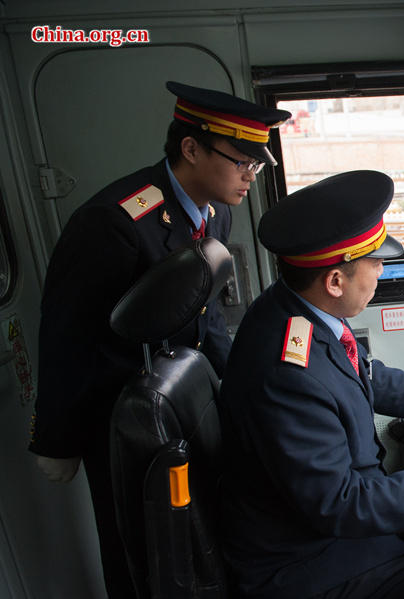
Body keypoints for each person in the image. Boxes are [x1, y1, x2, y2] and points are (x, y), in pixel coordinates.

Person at [28, 81, 291, 598]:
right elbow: (65, 333)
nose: (250, 175)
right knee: (137, 552)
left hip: (184, 402)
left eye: (256, 165)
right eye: (241, 160)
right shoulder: (115, 224)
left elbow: (207, 313)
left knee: (193, 543)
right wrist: (56, 440)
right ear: (191, 148)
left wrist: (241, 387)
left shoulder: (216, 210)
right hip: (120, 419)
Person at [218, 170, 404, 599]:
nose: (381, 272)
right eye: (375, 263)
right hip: (307, 560)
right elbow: (341, 504)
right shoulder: (286, 373)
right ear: (335, 282)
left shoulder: (295, 310)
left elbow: (362, 373)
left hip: (329, 530)